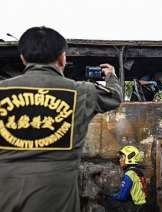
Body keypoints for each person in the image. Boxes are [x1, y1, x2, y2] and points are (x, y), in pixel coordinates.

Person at [0, 27, 122, 212]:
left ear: (23, 58)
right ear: (62, 58)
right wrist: (111, 76)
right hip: (56, 195)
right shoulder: (82, 91)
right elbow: (114, 97)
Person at [100, 146, 148, 212]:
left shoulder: (129, 174)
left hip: (135, 207)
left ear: (129, 158)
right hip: (142, 205)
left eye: (122, 157)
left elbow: (122, 197)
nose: (120, 160)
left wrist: (111, 195)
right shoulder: (138, 171)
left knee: (108, 200)